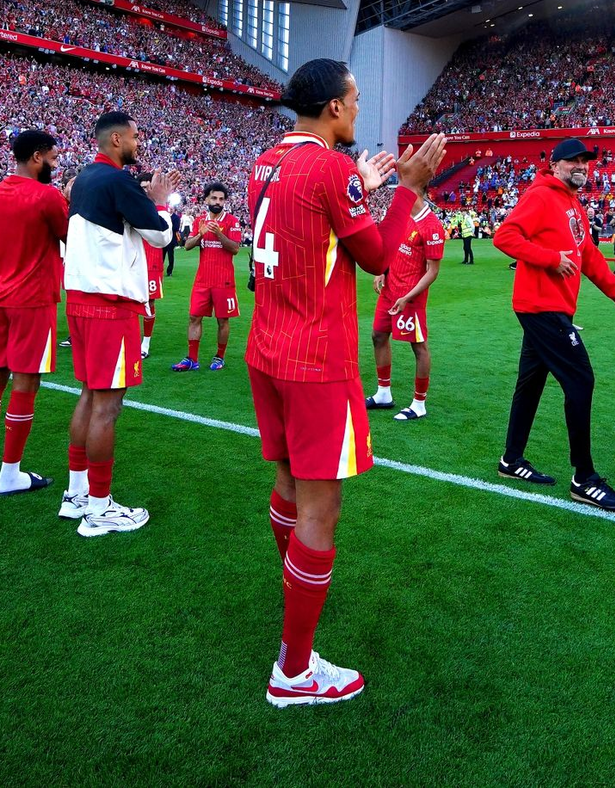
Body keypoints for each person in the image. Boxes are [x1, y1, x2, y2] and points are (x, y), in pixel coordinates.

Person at [245, 57, 446, 707]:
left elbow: (310, 224)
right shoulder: (331, 168)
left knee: (287, 482)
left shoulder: (266, 161)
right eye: (355, 99)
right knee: (320, 508)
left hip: (267, 348)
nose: (359, 108)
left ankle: (292, 595)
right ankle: (294, 670)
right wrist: (407, 188)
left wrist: (359, 185)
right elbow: (378, 258)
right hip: (315, 360)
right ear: (334, 106)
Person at [492, 138, 615, 508]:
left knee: (530, 383)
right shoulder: (541, 196)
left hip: (552, 308)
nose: (581, 166)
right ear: (555, 165)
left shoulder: (574, 203)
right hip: (541, 307)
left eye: (585, 162)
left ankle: (511, 460)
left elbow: (588, 256)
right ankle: (584, 478)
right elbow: (505, 236)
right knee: (580, 379)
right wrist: (549, 258)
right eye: (573, 161)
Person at [59, 112, 179, 537]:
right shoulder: (116, 179)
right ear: (115, 139)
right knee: (107, 406)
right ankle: (98, 509)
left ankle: (77, 493)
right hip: (110, 304)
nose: (138, 142)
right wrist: (160, 201)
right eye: (134, 136)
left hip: (81, 299)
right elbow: (161, 236)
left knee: (90, 394)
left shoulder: (85, 179)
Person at [0, 130, 69, 495]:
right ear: (37, 156)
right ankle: (10, 474)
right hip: (33, 298)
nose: (55, 165)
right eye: (53, 158)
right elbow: (69, 236)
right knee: (26, 383)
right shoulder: (47, 195)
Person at [366, 185, 445, 420]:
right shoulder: (402, 217)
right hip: (390, 290)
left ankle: (419, 404)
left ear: (416, 192)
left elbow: (432, 272)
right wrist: (382, 271)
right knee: (378, 336)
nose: (397, 195)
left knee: (418, 347)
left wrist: (407, 297)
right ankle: (383, 393)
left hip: (410, 298)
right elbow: (391, 249)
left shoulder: (431, 226)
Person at [172, 182, 242, 372]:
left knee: (223, 320)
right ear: (206, 200)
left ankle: (219, 356)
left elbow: (235, 248)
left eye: (221, 199)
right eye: (214, 198)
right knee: (194, 317)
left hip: (224, 280)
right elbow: (187, 245)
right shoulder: (200, 221)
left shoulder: (232, 221)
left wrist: (219, 233)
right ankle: (192, 359)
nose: (218, 202)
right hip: (202, 280)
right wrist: (200, 235)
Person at [136, 172, 165, 359]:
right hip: (133, 261)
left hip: (153, 260)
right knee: (129, 301)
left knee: (149, 302)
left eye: (149, 187)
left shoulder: (160, 208)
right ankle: (130, 338)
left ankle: (145, 343)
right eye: (143, 187)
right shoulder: (131, 206)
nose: (146, 191)